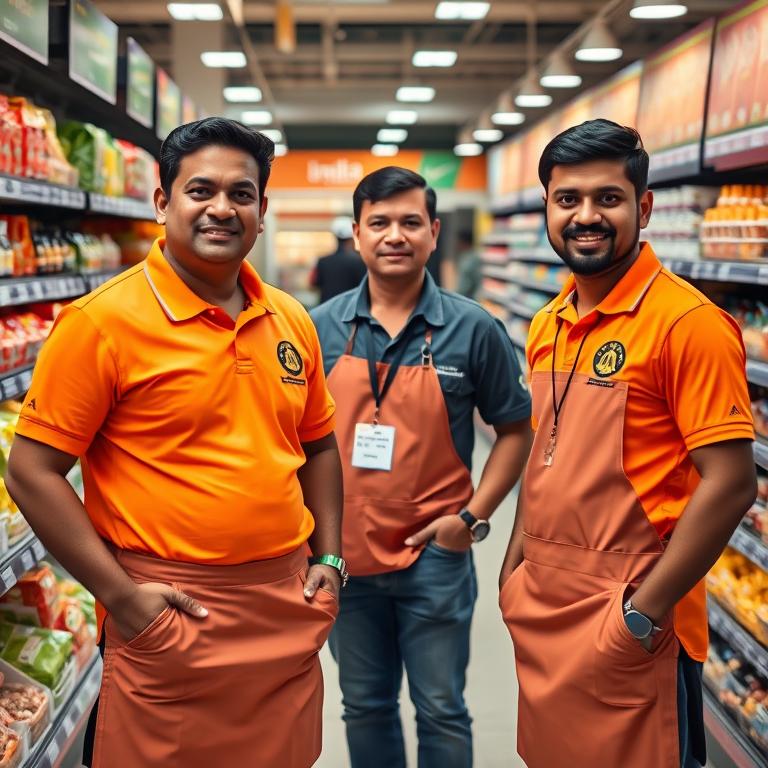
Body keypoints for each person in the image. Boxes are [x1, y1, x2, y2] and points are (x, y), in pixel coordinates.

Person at [5, 117, 345, 768]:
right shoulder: (102, 323)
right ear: (162, 202)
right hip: (173, 613)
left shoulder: (290, 318)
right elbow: (31, 471)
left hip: (286, 608)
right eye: (201, 190)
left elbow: (320, 445)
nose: (222, 208)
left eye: (241, 194)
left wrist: (330, 561)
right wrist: (124, 599)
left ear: (262, 211)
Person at [498, 119, 757, 768]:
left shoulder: (688, 325)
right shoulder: (547, 322)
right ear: (547, 210)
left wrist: (642, 614)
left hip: (633, 621)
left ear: (642, 207)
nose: (586, 216)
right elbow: (545, 453)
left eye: (608, 199)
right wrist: (514, 568)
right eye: (568, 200)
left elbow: (732, 483)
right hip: (546, 609)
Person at [311, 166, 532, 768]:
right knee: (365, 705)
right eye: (378, 222)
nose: (395, 235)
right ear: (356, 234)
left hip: (436, 558)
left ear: (433, 232)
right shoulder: (316, 328)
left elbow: (515, 430)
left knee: (441, 708)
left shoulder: (473, 327)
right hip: (343, 560)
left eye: (411, 222)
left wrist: (471, 518)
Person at [312, 215, 367, 303]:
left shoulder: (323, 261)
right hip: (351, 312)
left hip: (326, 311)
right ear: (352, 237)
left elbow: (314, 284)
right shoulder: (360, 261)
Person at [455, 229, 481, 299]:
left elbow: (466, 284)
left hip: (470, 298)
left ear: (464, 242)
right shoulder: (464, 256)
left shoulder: (471, 259)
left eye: (459, 241)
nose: (457, 244)